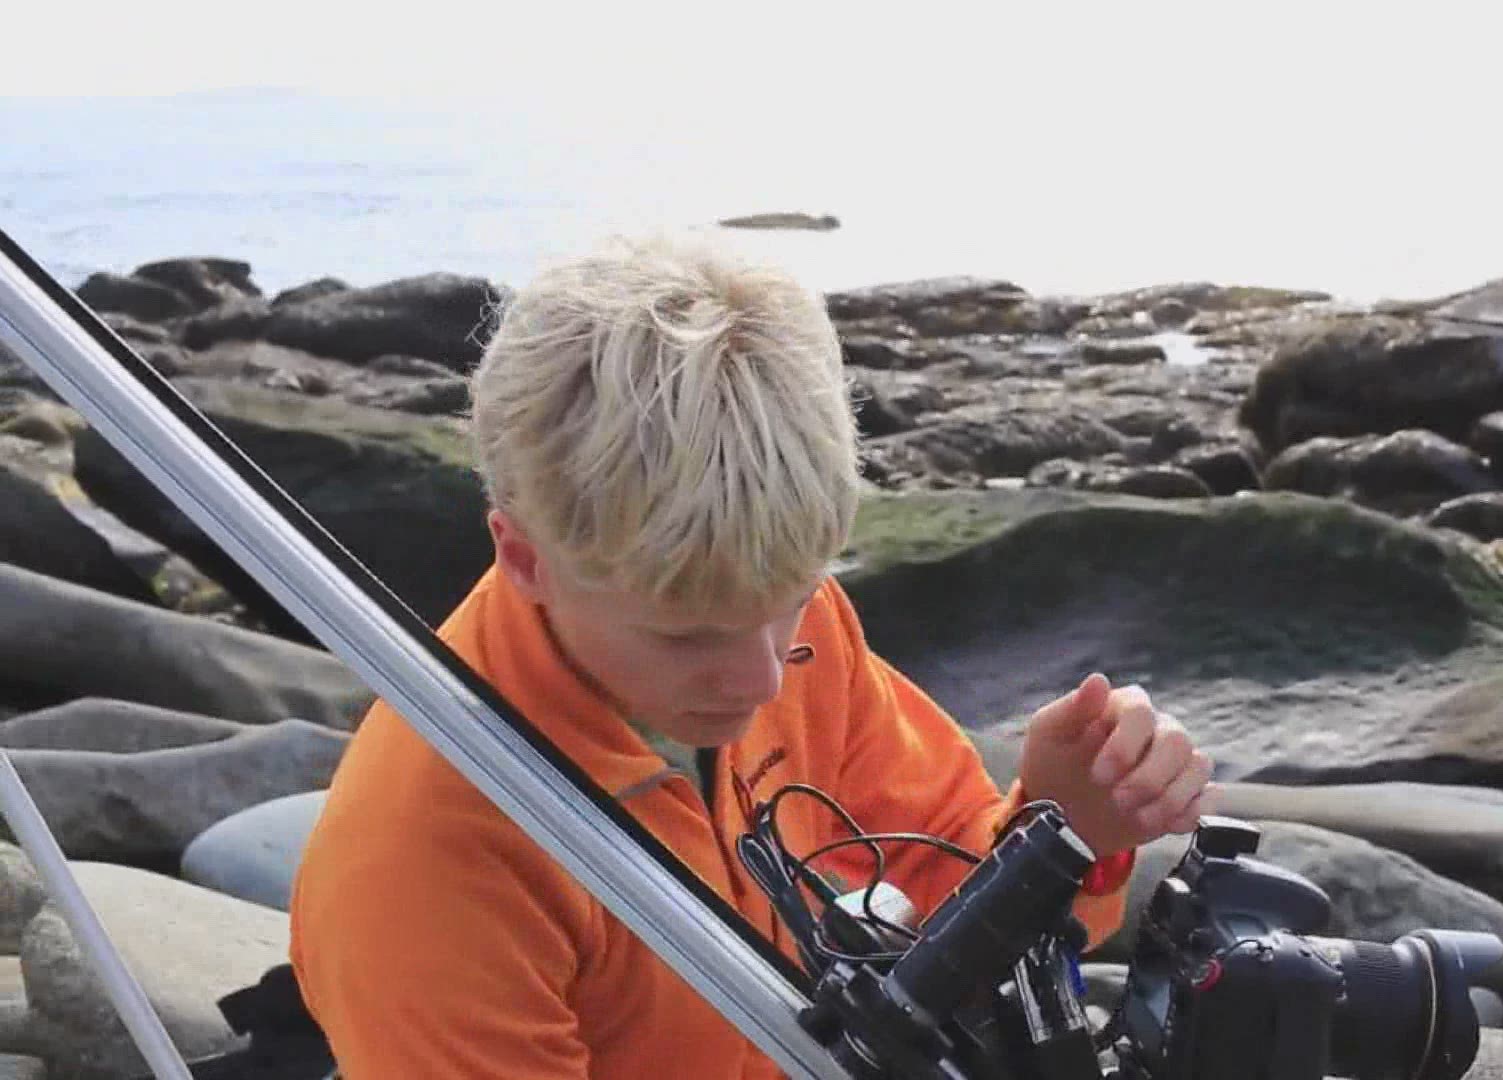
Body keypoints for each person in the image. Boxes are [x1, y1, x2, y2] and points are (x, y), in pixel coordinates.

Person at [287, 232, 1216, 1079]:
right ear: (523, 555)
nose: (765, 677)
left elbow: (944, 929)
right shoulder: (428, 868)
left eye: (789, 602)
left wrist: (1062, 835)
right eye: (687, 635)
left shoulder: (794, 628)